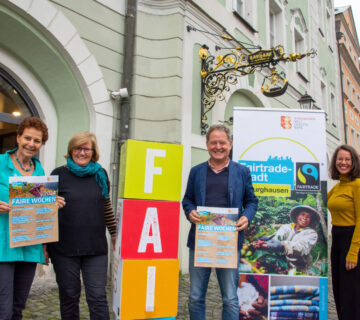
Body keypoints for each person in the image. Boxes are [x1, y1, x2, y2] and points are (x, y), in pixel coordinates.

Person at [182, 124, 258, 320]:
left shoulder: (242, 172)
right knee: (196, 296)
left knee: (230, 298)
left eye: (222, 142)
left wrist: (246, 217)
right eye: (213, 142)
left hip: (228, 242)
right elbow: (187, 200)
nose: (218, 146)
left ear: (230, 144)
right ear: (207, 145)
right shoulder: (196, 172)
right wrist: (190, 212)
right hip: (201, 242)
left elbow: (251, 201)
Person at [47, 132, 116, 320]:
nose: (82, 152)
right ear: (71, 150)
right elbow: (45, 212)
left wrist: (115, 233)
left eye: (86, 149)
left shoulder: (100, 174)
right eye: (78, 148)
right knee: (69, 296)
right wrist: (44, 245)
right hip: (63, 248)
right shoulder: (58, 174)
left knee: (97, 297)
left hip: (95, 248)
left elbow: (106, 206)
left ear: (93, 152)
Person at [0, 117, 64, 319]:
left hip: (29, 245)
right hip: (3, 246)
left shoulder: (39, 171)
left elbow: (38, 210)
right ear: (18, 137)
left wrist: (51, 204)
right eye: (27, 138)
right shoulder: (1, 163)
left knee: (19, 307)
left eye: (37, 141)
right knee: (3, 308)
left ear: (41, 144)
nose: (31, 144)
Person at [328, 144, 360, 320]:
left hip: (351, 239)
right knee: (339, 292)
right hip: (337, 240)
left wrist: (353, 252)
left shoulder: (357, 185)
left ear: (353, 162)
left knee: (351, 296)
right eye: (340, 159)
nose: (343, 162)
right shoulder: (338, 187)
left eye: (347, 159)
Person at [259, 205, 319, 273]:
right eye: (302, 215)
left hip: (299, 269)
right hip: (280, 264)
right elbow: (278, 236)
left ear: (311, 220)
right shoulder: (286, 227)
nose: (304, 218)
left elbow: (302, 248)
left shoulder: (311, 233)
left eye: (308, 217)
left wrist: (283, 245)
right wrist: (268, 240)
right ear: (297, 216)